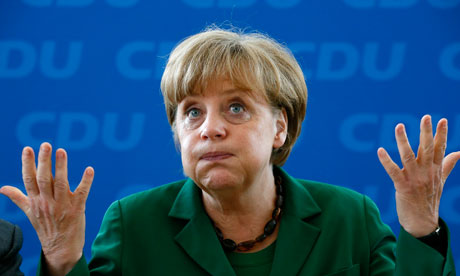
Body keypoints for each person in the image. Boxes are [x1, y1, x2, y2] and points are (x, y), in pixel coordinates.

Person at [1, 26, 459, 276]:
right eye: (192, 112)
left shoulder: (349, 217)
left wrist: (421, 232)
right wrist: (62, 262)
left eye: (235, 108)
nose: (210, 129)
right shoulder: (133, 223)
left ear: (280, 126)